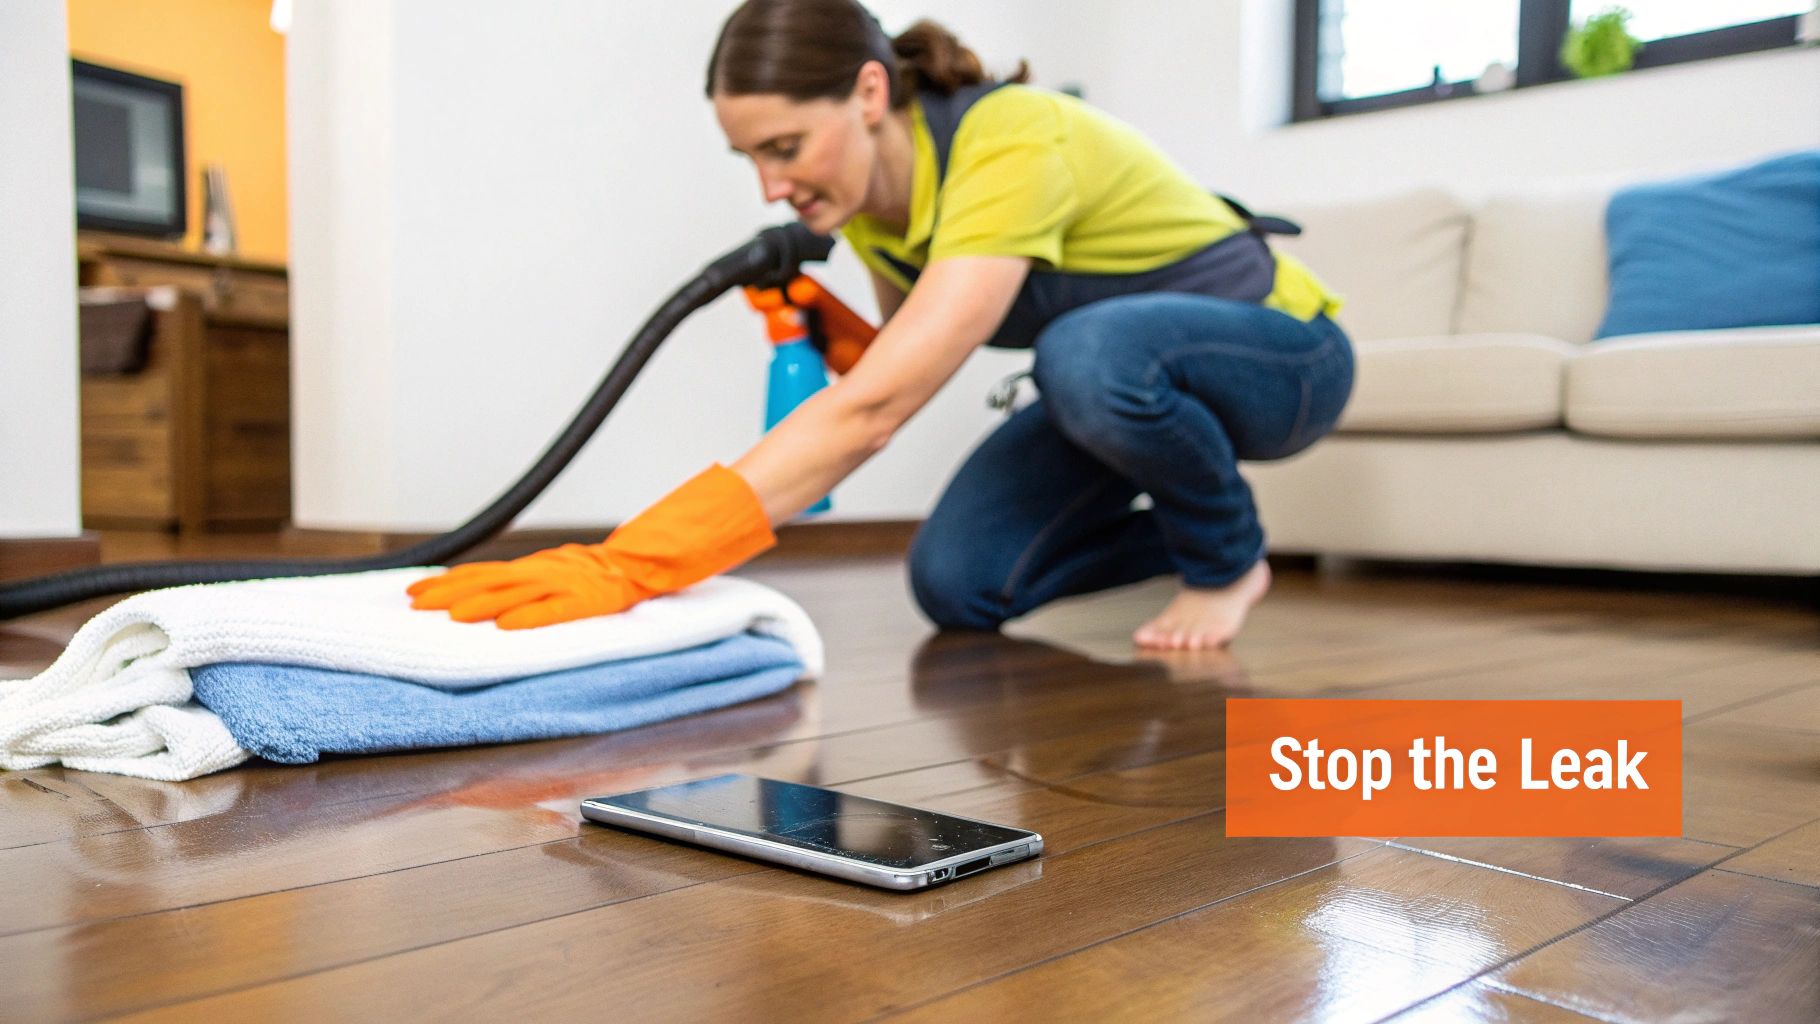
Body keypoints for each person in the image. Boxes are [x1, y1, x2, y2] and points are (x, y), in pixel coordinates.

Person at [408, 0, 1353, 650]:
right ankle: (1212, 535)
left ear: (868, 93)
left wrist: (633, 561)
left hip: (1283, 356)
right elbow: (900, 364)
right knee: (957, 583)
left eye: (784, 148)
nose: (771, 189)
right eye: (750, 158)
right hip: (1118, 385)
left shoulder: (1014, 137)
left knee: (1084, 353)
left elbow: (879, 410)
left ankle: (1225, 563)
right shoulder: (869, 204)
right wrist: (839, 333)